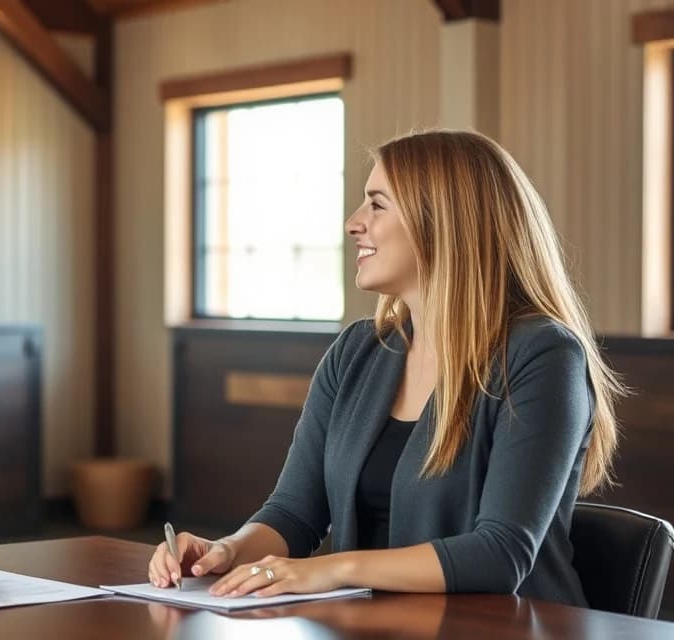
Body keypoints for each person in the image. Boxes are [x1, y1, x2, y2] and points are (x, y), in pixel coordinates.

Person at [148, 130, 624, 607]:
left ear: (445, 223)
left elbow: (500, 555)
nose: (354, 223)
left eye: (377, 205)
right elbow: (294, 513)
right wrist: (227, 551)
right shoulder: (357, 351)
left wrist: (333, 570)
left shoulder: (543, 355)